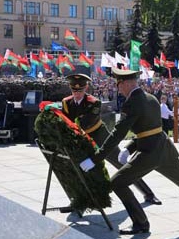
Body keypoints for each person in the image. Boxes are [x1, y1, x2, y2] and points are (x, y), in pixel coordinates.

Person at [94, 68, 179, 236]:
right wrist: (129, 148)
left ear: (127, 83)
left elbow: (118, 133)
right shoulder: (151, 98)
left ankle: (141, 223)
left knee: (117, 183)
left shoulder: (132, 102)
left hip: (149, 153)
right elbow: (149, 129)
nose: (118, 89)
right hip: (164, 148)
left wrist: (97, 157)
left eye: (119, 84)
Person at [59, 72, 161, 215]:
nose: (76, 94)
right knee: (78, 169)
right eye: (74, 91)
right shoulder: (66, 102)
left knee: (122, 165)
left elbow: (85, 123)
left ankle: (148, 193)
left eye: (80, 90)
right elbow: (66, 120)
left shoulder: (94, 102)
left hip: (100, 136)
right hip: (82, 139)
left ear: (86, 88)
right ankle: (78, 201)